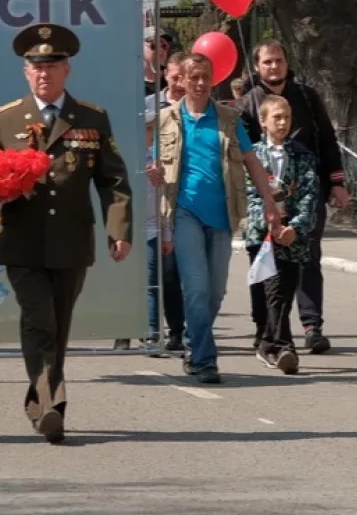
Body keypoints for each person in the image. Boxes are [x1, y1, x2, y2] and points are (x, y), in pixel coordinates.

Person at [0, 23, 131, 443]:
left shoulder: (91, 118)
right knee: (39, 319)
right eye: (35, 67)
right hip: (22, 239)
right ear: (25, 73)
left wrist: (118, 229)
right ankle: (53, 405)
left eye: (51, 66)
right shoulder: (6, 117)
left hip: (71, 240)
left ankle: (40, 402)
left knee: (58, 325)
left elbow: (113, 181)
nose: (43, 73)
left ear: (67, 70)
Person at [147, 53, 282, 385]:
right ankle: (206, 360)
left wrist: (269, 202)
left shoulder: (228, 118)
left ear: (214, 79)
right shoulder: (165, 119)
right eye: (193, 76)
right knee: (195, 287)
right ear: (182, 79)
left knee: (216, 289)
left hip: (222, 212)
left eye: (205, 76)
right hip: (183, 212)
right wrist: (152, 172)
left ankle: (194, 344)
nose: (199, 83)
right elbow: (151, 164)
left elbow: (251, 162)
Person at [235, 41, 346, 355]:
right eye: (268, 62)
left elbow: (327, 140)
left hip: (306, 194)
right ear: (258, 66)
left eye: (279, 60)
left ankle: (312, 326)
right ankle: (266, 329)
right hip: (263, 199)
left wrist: (337, 182)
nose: (274, 67)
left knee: (308, 257)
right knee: (264, 261)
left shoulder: (307, 98)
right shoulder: (247, 104)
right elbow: (242, 155)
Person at [244, 96, 321, 375]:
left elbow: (310, 195)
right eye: (276, 117)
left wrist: (295, 228)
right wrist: (269, 224)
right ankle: (284, 345)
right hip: (262, 232)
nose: (282, 122)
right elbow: (248, 195)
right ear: (263, 121)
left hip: (291, 234)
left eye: (286, 117)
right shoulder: (251, 155)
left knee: (284, 289)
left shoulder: (302, 155)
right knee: (270, 290)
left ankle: (269, 343)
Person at [142, 52, 187, 355]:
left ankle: (177, 331)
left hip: (184, 199)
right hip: (153, 207)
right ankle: (148, 331)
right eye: (175, 75)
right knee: (151, 274)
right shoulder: (148, 108)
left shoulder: (199, 109)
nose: (181, 81)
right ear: (165, 73)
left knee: (174, 275)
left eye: (187, 75)